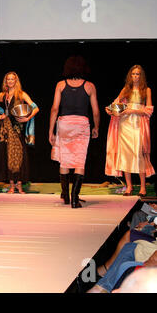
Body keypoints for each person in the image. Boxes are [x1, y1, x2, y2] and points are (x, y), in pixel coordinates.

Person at [49, 55, 100, 208]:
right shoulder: (89, 86)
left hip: (64, 123)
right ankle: (74, 199)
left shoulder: (60, 85)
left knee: (64, 158)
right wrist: (96, 127)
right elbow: (96, 111)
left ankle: (65, 195)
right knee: (79, 159)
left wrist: (51, 130)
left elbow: (54, 109)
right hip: (82, 124)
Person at [105, 65, 154, 197]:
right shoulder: (125, 90)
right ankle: (129, 186)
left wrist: (133, 110)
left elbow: (149, 110)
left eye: (138, 74)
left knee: (139, 154)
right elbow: (115, 104)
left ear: (141, 76)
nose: (135, 76)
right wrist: (110, 109)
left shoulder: (146, 90)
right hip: (125, 124)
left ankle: (143, 187)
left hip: (138, 125)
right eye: (133, 74)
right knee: (125, 155)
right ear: (130, 76)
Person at [0, 72, 39, 194]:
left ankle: (20, 186)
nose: (10, 81)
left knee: (19, 156)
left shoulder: (21, 94)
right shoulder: (2, 95)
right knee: (7, 155)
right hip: (5, 129)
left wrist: (27, 118)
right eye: (8, 79)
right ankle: (12, 186)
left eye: (12, 79)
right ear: (5, 82)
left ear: (16, 81)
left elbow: (36, 107)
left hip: (17, 129)